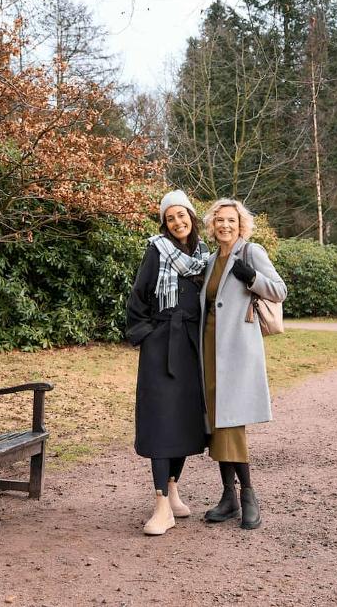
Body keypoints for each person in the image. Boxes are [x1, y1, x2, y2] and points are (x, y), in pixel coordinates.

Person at [126, 189, 210, 536]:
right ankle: (161, 504)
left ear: (192, 216)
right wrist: (149, 335)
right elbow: (138, 297)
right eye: (170, 217)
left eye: (182, 215)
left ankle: (173, 488)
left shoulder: (204, 256)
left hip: (191, 347)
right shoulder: (156, 250)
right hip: (162, 346)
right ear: (164, 222)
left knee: (186, 421)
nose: (177, 222)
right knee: (161, 420)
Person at [199, 198, 287, 530]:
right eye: (219, 220)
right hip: (208, 351)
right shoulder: (209, 261)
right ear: (212, 224)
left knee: (231, 423)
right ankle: (228, 497)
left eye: (231, 221)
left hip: (235, 351)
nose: (224, 225)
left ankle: (248, 495)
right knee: (217, 423)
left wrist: (252, 278)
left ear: (241, 224)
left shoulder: (251, 253)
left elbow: (280, 290)